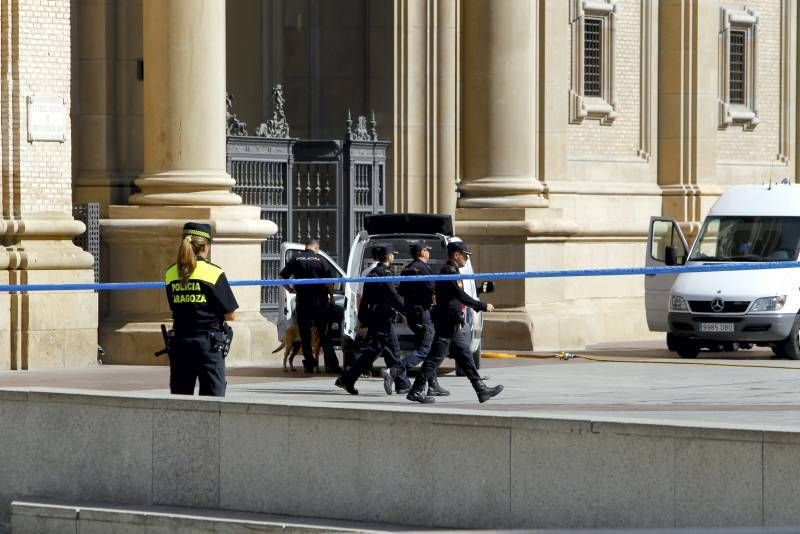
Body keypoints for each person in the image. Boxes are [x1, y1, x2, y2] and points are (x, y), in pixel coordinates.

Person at [406, 241, 503, 404]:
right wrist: (481, 305)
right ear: (457, 255)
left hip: (452, 323)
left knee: (465, 356)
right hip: (447, 323)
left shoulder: (453, 271)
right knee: (435, 358)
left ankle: (481, 390)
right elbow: (459, 294)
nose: (466, 258)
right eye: (465, 255)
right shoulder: (448, 271)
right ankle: (416, 390)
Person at [164, 222, 238, 397]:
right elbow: (231, 315)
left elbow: (174, 307)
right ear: (205, 246)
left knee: (181, 400)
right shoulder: (214, 273)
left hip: (181, 344)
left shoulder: (171, 273)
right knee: (213, 402)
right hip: (208, 346)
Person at [335, 244, 406, 395]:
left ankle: (401, 383)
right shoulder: (384, 273)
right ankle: (347, 379)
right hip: (383, 318)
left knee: (379, 351)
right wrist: (406, 311)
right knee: (385, 350)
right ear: (389, 256)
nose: (394, 256)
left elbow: (365, 298)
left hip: (374, 317)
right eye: (393, 254)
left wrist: (363, 318)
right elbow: (393, 296)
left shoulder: (372, 273)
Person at [279, 239, 342, 374]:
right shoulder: (321, 260)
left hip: (303, 302)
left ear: (306, 247)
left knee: (305, 335)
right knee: (324, 335)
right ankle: (331, 365)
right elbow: (329, 282)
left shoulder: (296, 258)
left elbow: (281, 276)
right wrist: (331, 298)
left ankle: (310, 364)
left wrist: (290, 290)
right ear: (316, 247)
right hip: (320, 302)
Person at [396, 241, 447, 396]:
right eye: (426, 250)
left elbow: (402, 292)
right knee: (427, 348)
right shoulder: (424, 269)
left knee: (425, 347)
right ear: (421, 252)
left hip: (411, 313)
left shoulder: (406, 269)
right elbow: (433, 291)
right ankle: (397, 370)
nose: (428, 252)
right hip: (423, 312)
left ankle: (432, 384)